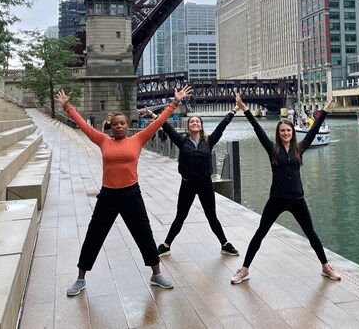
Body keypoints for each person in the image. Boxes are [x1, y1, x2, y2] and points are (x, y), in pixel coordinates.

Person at [54, 85, 192, 297]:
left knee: (144, 234)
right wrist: (68, 107)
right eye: (115, 124)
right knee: (94, 235)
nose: (119, 127)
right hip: (108, 195)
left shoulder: (138, 139)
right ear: (110, 125)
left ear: (127, 126)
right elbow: (83, 125)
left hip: (131, 195)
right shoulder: (103, 140)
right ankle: (80, 278)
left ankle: (156, 274)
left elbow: (157, 123)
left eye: (122, 124)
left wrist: (174, 103)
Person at [230, 93, 341, 284]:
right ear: (278, 133)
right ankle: (244, 269)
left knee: (311, 233)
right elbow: (257, 129)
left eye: (288, 131)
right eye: (282, 131)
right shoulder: (272, 149)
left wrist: (327, 107)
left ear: (293, 133)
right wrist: (245, 109)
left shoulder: (300, 148)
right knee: (260, 232)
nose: (286, 134)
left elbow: (314, 130)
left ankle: (325, 266)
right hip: (276, 198)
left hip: (297, 198)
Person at [140, 106, 240, 257]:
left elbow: (222, 126)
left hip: (205, 183)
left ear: (201, 126)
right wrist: (152, 114)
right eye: (192, 121)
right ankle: (166, 245)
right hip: (188, 183)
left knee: (211, 216)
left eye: (197, 122)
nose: (195, 123)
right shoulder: (182, 141)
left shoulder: (209, 141)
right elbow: (165, 126)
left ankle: (225, 244)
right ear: (188, 126)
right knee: (181, 216)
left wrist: (234, 110)